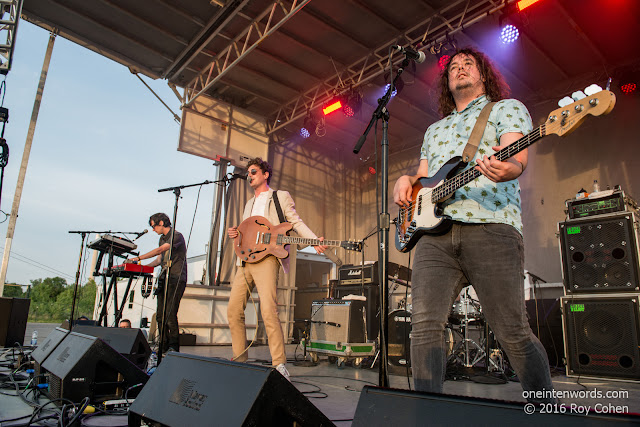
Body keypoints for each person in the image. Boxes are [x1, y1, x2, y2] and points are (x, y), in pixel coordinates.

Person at [393, 47, 554, 402]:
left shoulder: (506, 108)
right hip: (434, 237)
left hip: (491, 226)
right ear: (446, 82)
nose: (460, 68)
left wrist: (508, 168)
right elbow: (424, 179)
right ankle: (428, 411)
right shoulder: (434, 130)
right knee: (423, 327)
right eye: (454, 66)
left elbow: (516, 158)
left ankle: (546, 411)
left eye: (469, 64)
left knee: (512, 330)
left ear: (484, 74)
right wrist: (405, 181)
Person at [227, 157, 327, 380]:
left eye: (253, 172)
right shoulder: (247, 204)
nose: (249, 176)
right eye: (248, 173)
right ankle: (239, 359)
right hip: (245, 262)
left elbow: (295, 221)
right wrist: (236, 234)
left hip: (267, 258)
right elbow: (247, 232)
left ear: (265, 174)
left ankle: (279, 363)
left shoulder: (280, 196)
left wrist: (313, 240)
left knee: (268, 311)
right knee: (233, 310)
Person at [127, 213, 187, 353]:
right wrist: (145, 267)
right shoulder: (162, 238)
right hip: (164, 277)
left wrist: (138, 258)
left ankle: (173, 345)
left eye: (153, 226)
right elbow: (160, 259)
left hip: (176, 277)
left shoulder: (176, 235)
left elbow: (161, 250)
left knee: (170, 314)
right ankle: (163, 345)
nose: (153, 229)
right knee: (160, 315)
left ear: (161, 223)